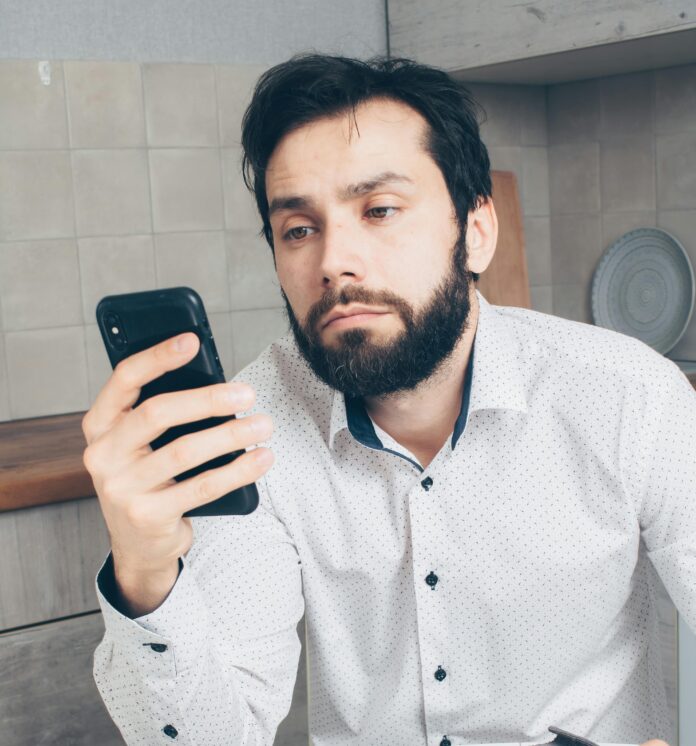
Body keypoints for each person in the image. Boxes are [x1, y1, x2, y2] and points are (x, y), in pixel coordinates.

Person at [81, 53, 692, 746]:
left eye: (379, 210)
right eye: (299, 229)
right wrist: (145, 572)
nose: (333, 262)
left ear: (476, 233)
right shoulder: (251, 434)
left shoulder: (630, 398)